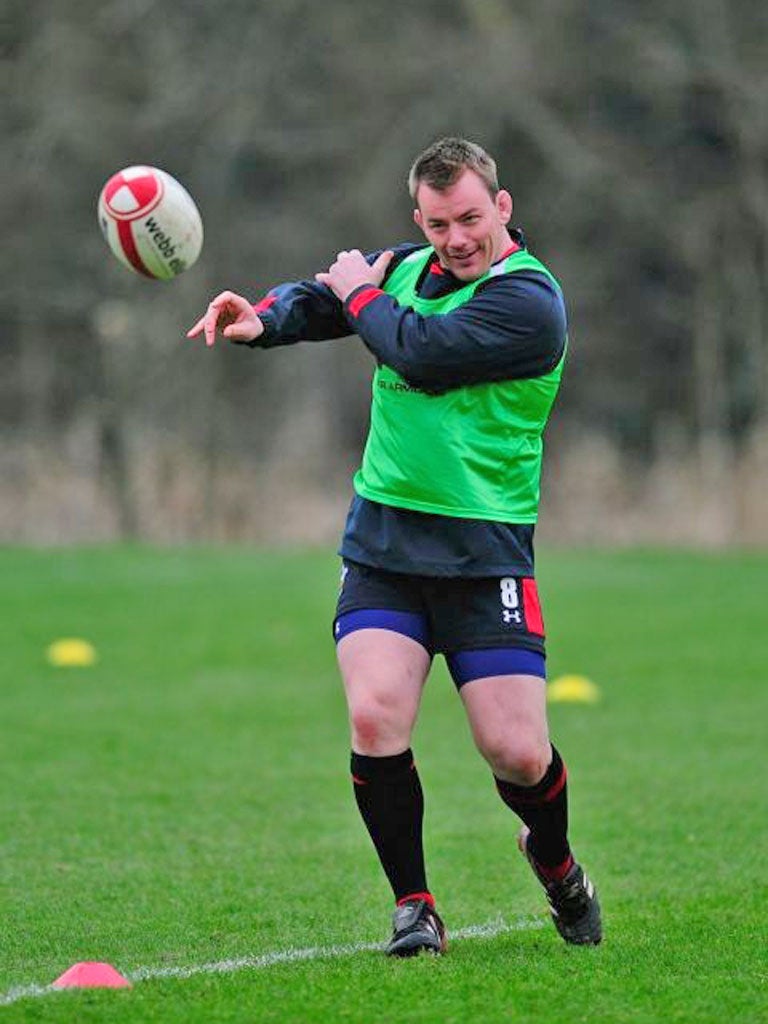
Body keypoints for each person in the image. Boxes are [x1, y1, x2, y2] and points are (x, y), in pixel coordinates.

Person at [187, 137, 601, 956]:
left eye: (471, 218)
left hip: (486, 557)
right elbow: (322, 297)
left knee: (516, 751)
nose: (456, 237)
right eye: (440, 221)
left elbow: (421, 351)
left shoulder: (530, 303)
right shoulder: (405, 271)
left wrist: (361, 294)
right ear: (421, 218)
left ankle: (554, 862)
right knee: (376, 715)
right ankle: (415, 905)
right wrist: (259, 319)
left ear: (503, 207)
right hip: (384, 543)